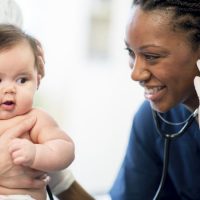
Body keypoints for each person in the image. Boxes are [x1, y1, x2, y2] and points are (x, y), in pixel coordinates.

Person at [0, 0, 94, 199]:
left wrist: (36, 154)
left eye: (22, 79)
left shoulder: (35, 119)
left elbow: (65, 149)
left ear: (38, 79)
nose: (9, 89)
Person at [110, 0, 200, 199]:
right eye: (131, 52)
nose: (135, 74)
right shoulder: (153, 119)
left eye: (151, 56)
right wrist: (62, 181)